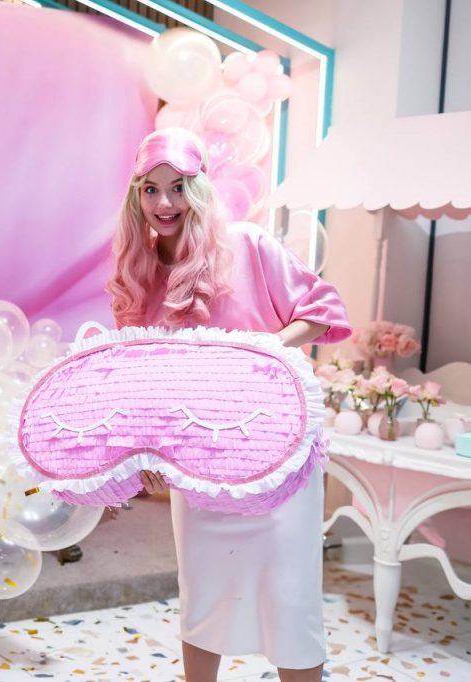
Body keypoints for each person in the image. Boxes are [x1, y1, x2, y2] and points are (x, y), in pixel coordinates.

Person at [106, 127, 351, 682]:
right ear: (136, 196)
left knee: (290, 598)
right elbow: (140, 381)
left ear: (199, 188)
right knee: (204, 597)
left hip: (278, 457)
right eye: (151, 189)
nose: (164, 203)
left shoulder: (246, 244)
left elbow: (322, 309)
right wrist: (144, 453)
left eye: (178, 187)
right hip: (198, 463)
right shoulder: (138, 274)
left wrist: (265, 349)